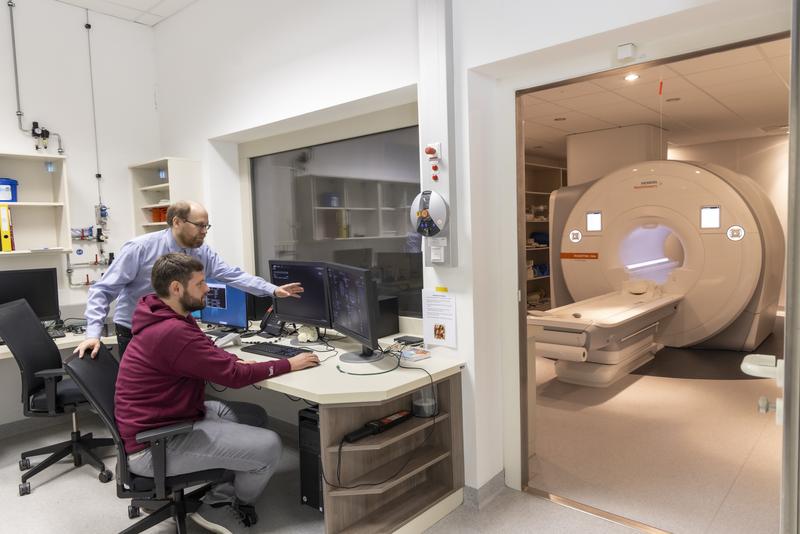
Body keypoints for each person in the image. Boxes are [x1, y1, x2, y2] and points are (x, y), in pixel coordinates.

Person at [116, 253, 319, 533]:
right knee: (271, 444)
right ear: (176, 288)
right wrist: (288, 364)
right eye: (200, 284)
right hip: (154, 445)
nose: (208, 289)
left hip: (169, 418)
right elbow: (233, 379)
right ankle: (222, 507)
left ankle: (221, 490)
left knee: (253, 415)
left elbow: (207, 351)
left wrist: (232, 360)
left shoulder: (162, 312)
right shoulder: (171, 331)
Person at [75, 200, 302, 358]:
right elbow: (103, 290)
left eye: (207, 225)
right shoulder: (141, 248)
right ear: (176, 222)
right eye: (199, 225)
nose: (204, 231)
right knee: (147, 393)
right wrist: (93, 334)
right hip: (137, 332)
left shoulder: (201, 251)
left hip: (175, 329)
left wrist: (272, 289)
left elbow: (231, 274)